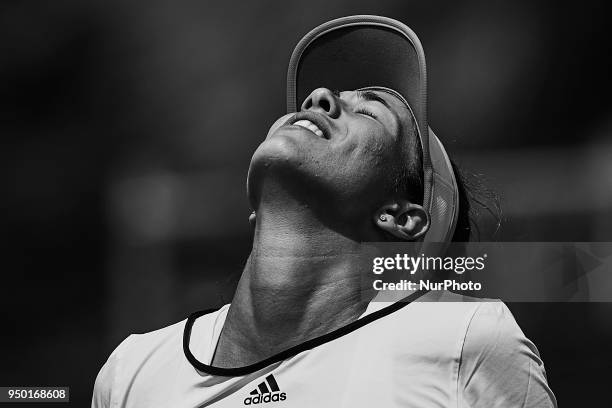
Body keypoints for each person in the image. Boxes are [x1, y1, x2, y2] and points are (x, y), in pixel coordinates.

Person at [92, 16, 556, 407]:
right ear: (256, 209)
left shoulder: (465, 341)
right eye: (327, 95)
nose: (319, 97)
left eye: (370, 112)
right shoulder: (132, 372)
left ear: (400, 217)